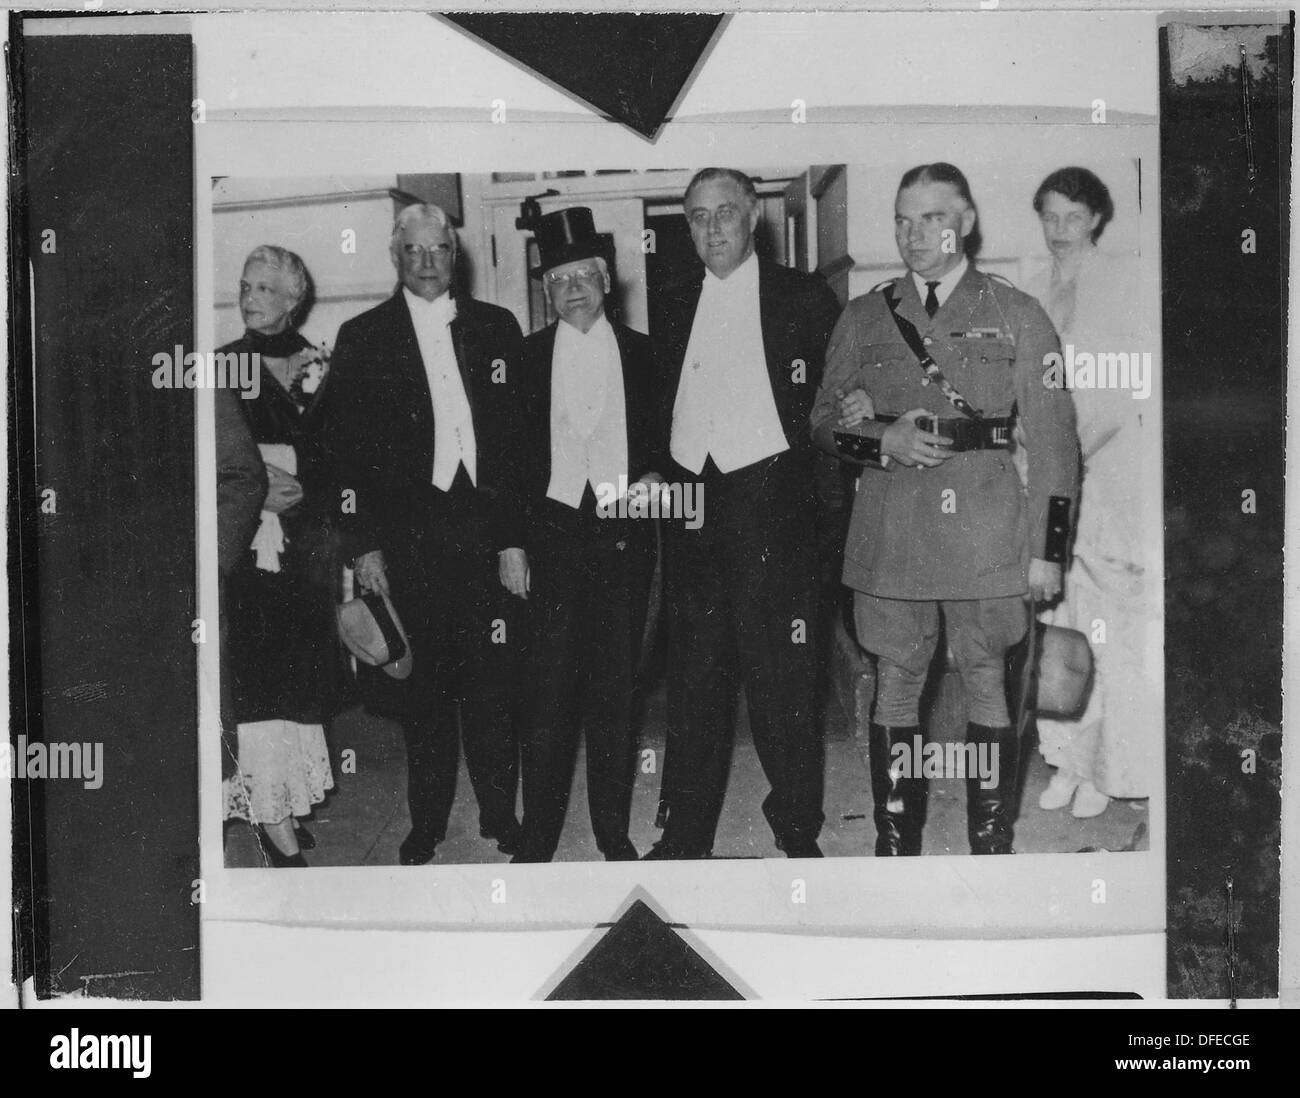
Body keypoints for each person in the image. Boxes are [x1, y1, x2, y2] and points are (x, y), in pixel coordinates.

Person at [811, 163, 1078, 856]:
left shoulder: (1017, 313)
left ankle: (989, 844)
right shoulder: (865, 316)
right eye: (904, 219)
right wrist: (879, 438)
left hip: (986, 526)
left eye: (933, 218)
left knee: (988, 677)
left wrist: (1048, 551)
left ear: (965, 225)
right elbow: (819, 424)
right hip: (893, 525)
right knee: (895, 682)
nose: (915, 234)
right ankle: (896, 845)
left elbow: (1054, 443)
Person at [646, 168, 841, 861]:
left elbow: (833, 406)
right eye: (697, 217)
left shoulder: (804, 297)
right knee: (695, 685)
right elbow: (658, 407)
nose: (712, 228)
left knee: (782, 684)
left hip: (774, 515)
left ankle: (795, 826)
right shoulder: (670, 302)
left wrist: (825, 527)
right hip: (695, 516)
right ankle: (685, 833)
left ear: (752, 215)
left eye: (725, 212)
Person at [324, 203, 527, 866]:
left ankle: (501, 815)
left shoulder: (497, 328)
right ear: (395, 256)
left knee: (495, 688)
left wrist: (513, 537)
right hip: (409, 538)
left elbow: (517, 444)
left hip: (482, 528)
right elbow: (340, 453)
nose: (429, 261)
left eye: (439, 249)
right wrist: (363, 545)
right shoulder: (363, 336)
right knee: (426, 694)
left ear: (455, 253)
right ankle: (428, 823)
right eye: (414, 250)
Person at [512, 208, 661, 863]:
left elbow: (669, 451)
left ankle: (611, 831)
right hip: (549, 538)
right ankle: (538, 834)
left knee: (614, 694)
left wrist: (655, 480)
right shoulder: (522, 359)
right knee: (545, 696)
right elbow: (505, 460)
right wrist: (510, 545)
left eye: (585, 276)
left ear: (608, 282)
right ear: (547, 290)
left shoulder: (645, 354)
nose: (573, 288)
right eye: (559, 279)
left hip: (621, 540)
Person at [1024, 166, 1157, 818]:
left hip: (1111, 474)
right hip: (1052, 475)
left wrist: (1079, 453)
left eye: (1072, 218)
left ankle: (1106, 771)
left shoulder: (1126, 281)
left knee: (1108, 626)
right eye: (1049, 217)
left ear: (1097, 220)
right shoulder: (1033, 285)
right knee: (1055, 621)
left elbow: (1138, 384)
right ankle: (1065, 762)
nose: (1059, 232)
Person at [221, 245, 342, 867]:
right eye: (246, 286)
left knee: (302, 671)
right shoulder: (221, 366)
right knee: (262, 675)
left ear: (294, 299)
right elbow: (207, 460)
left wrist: (310, 486)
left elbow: (340, 453)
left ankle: (289, 798)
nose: (251, 296)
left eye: (266, 288)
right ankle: (270, 817)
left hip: (307, 544)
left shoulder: (318, 361)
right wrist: (258, 482)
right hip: (251, 546)